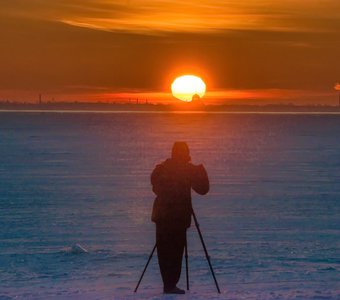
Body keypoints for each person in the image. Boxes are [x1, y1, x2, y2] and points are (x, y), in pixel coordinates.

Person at [151, 141, 209, 294]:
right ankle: (170, 285)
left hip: (162, 217)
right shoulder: (187, 170)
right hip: (177, 218)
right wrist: (200, 170)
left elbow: (155, 187)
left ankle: (168, 284)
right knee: (176, 252)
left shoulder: (162, 169)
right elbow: (203, 189)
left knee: (164, 252)